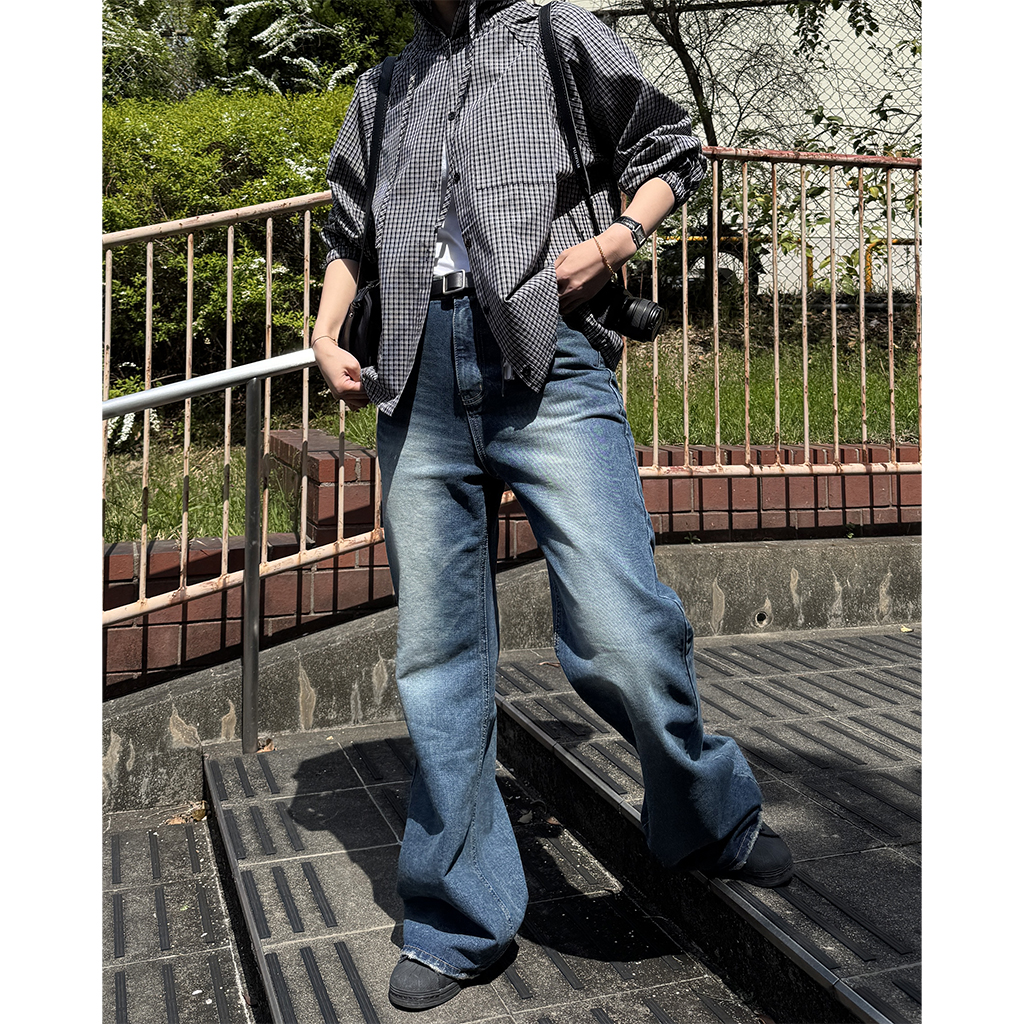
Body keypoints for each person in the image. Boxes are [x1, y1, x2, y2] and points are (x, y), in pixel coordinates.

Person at [312, 0, 793, 1011]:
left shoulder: (556, 32)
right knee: (438, 655)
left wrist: (616, 242)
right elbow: (348, 232)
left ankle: (708, 814)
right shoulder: (382, 89)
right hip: (416, 379)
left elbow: (670, 150)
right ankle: (457, 916)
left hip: (549, 361)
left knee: (622, 626)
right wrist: (324, 331)